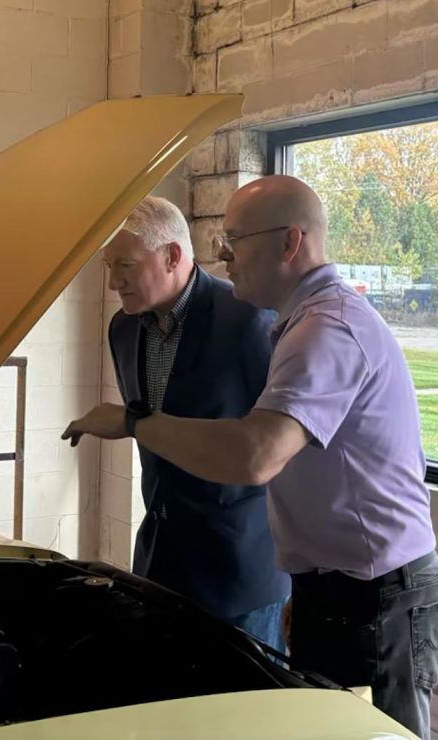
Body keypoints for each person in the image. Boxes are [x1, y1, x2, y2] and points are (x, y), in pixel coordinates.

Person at [85, 176, 438, 740]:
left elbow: (257, 455)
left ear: (289, 242)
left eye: (235, 239)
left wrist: (135, 424)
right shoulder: (297, 323)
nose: (223, 255)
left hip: (377, 595)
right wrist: (303, 587)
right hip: (330, 587)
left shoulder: (327, 328)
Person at [62, 196, 289, 651]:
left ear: (171, 256)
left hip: (240, 573)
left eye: (125, 264)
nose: (113, 281)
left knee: (241, 712)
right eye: (109, 266)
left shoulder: (248, 321)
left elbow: (281, 449)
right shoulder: (122, 329)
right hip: (159, 562)